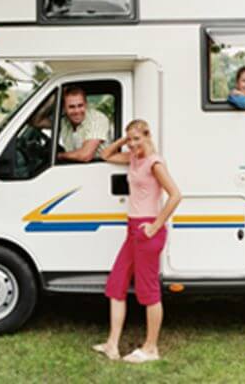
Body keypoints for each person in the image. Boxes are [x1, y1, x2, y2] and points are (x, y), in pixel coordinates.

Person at [92, 119, 182, 363]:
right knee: (116, 284)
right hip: (132, 229)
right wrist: (125, 140)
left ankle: (151, 348)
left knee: (148, 292)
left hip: (147, 230)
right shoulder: (133, 157)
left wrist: (154, 227)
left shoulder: (155, 162)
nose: (132, 144)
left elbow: (175, 195)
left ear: (147, 136)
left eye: (137, 139)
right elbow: (105, 154)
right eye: (129, 140)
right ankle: (112, 345)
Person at [30, 86, 111, 162]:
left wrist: (58, 155)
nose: (77, 111)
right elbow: (36, 122)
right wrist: (56, 95)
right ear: (64, 108)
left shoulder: (97, 119)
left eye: (80, 105)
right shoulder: (64, 121)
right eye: (71, 107)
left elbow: (85, 155)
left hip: (98, 172)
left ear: (86, 104)